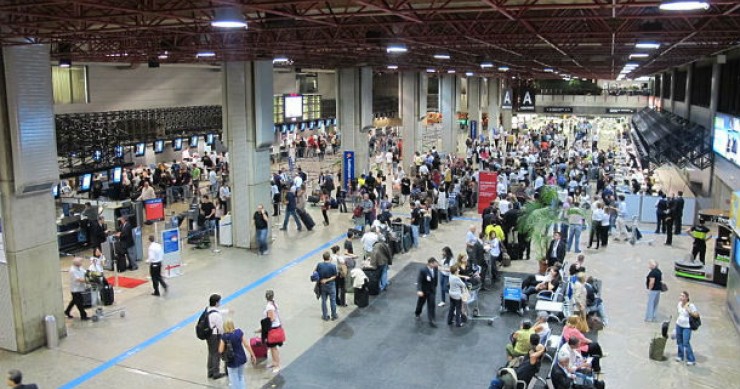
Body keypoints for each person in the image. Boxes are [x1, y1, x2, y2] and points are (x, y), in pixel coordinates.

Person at [218, 319, 256, 389]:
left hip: (232, 360)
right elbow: (246, 345)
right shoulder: (239, 332)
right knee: (241, 377)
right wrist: (253, 355)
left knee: (233, 379)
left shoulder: (225, 336)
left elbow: (220, 350)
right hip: (241, 357)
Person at [205, 294, 227, 379]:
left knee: (211, 352)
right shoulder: (216, 316)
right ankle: (216, 372)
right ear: (216, 302)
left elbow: (218, 311)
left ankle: (210, 371)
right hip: (215, 336)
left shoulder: (208, 310)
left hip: (208, 335)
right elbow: (221, 328)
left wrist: (227, 311)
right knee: (216, 353)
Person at [675, 291, 699, 365]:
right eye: (680, 296)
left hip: (687, 327)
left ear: (687, 298)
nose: (681, 297)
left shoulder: (691, 305)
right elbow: (680, 314)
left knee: (686, 342)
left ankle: (691, 359)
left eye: (683, 296)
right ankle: (680, 356)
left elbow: (697, 315)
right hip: (678, 325)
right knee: (679, 341)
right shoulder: (679, 304)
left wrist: (689, 311)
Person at [262, 290, 283, 374]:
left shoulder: (269, 307)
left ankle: (277, 365)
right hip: (275, 327)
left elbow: (272, 318)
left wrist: (263, 327)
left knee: (274, 348)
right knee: (271, 347)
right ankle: (274, 362)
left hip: (273, 328)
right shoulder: (273, 304)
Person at [415, 257, 439, 327]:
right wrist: (419, 290)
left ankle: (432, 320)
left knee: (432, 305)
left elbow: (435, 277)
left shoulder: (435, 268)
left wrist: (434, 286)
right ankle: (417, 312)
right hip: (424, 291)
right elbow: (419, 281)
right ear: (430, 263)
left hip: (432, 290)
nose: (435, 265)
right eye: (434, 263)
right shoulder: (423, 270)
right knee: (421, 303)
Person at [316, 251, 338, 321]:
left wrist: (321, 280)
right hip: (331, 285)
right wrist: (327, 280)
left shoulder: (319, 265)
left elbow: (315, 272)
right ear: (329, 257)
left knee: (324, 301)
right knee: (333, 300)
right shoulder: (333, 266)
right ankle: (334, 315)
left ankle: (325, 316)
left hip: (322, 285)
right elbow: (335, 276)